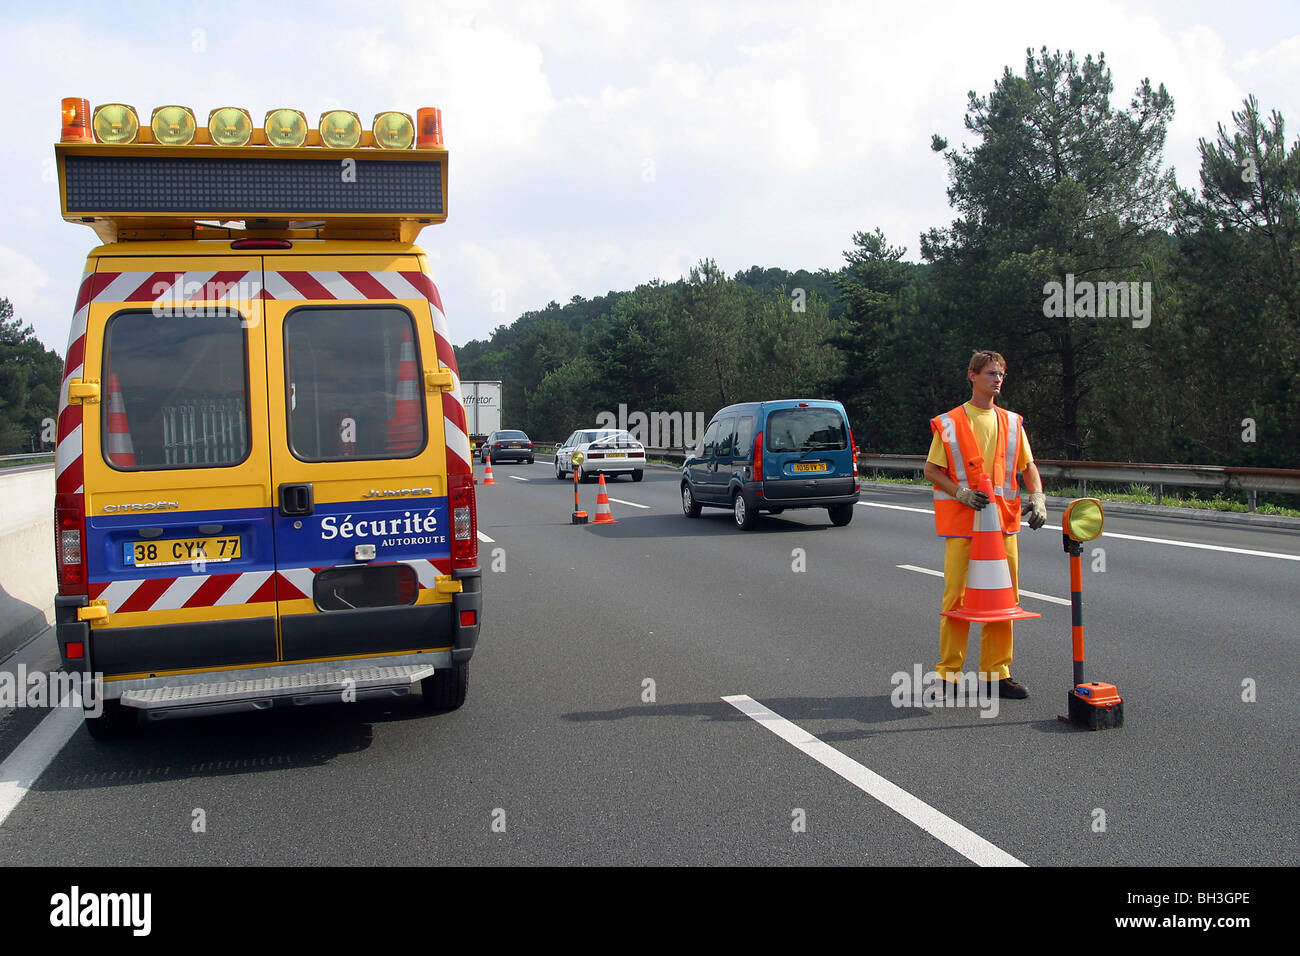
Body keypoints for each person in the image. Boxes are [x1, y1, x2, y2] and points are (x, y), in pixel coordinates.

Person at [923, 350, 1047, 699]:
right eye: (991, 373)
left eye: (1001, 375)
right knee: (958, 598)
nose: (997, 379)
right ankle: (948, 674)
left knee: (1004, 599)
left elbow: (1029, 467)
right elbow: (931, 470)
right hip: (964, 525)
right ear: (972, 376)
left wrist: (1038, 498)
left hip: (1003, 525)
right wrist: (959, 492)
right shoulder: (950, 422)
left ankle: (997, 672)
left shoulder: (1011, 422)